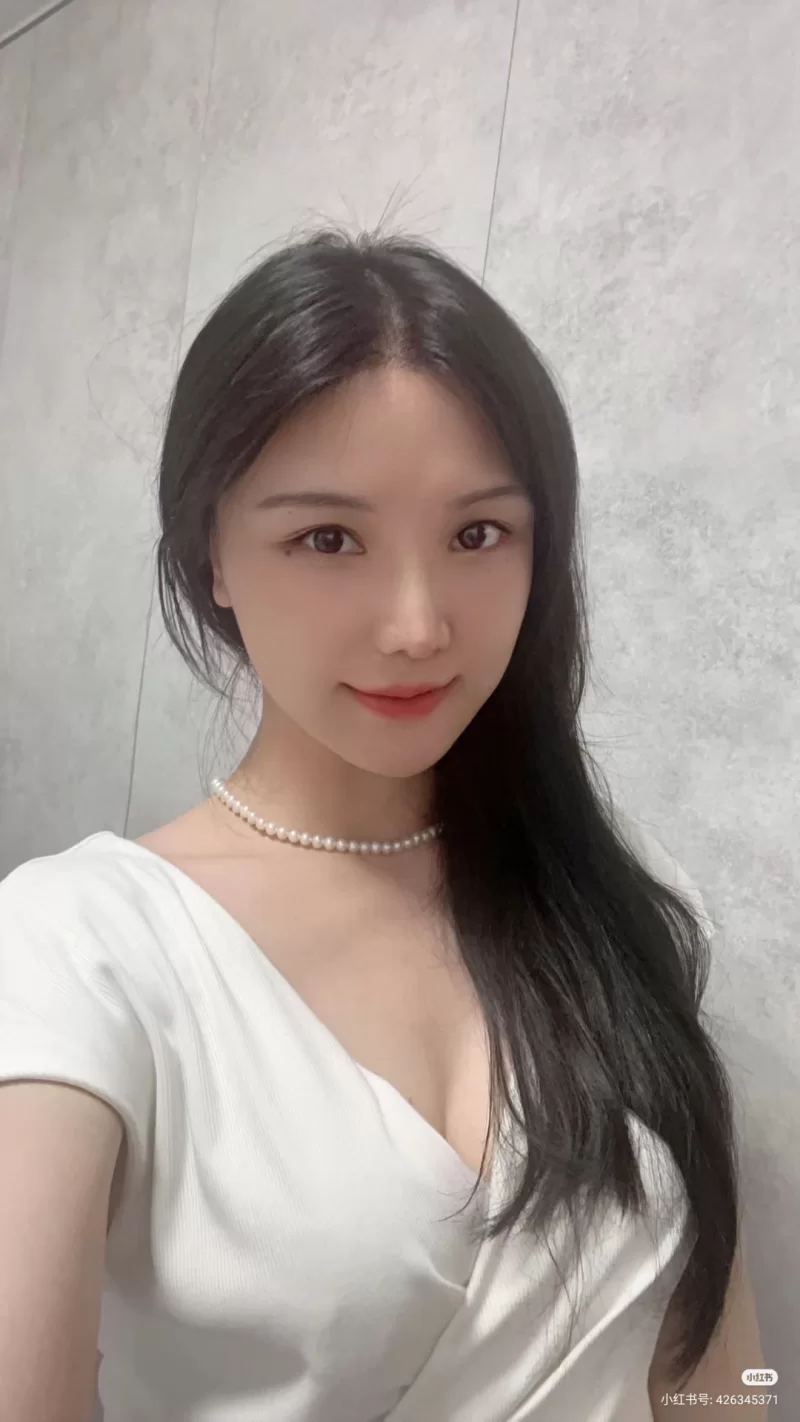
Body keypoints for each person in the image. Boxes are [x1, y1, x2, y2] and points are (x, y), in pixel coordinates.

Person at [0, 227, 766, 1422]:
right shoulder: (78, 947)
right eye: (327, 538)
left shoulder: (611, 894)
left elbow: (716, 1367)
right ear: (211, 554)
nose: (416, 625)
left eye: (476, 534)